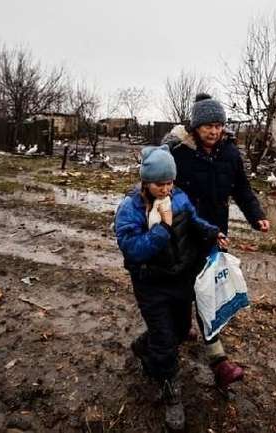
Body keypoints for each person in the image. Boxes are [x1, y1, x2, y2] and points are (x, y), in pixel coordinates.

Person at [114, 144, 227, 430]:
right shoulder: (131, 208)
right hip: (150, 283)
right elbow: (132, 249)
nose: (165, 189)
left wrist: (212, 233)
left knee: (177, 330)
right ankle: (171, 393)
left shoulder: (179, 197)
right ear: (145, 181)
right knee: (165, 342)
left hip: (179, 278)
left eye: (169, 182)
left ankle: (143, 345)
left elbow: (193, 220)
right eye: (159, 183)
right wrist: (161, 230)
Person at [162, 93, 271, 388]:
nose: (214, 130)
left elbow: (243, 191)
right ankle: (179, 331)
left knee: (209, 291)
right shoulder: (178, 154)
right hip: (183, 234)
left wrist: (255, 215)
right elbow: (159, 189)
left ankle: (218, 360)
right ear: (195, 127)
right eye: (208, 125)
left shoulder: (230, 154)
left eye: (219, 125)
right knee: (184, 289)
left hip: (215, 235)